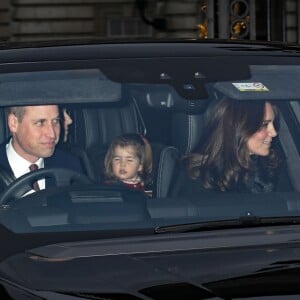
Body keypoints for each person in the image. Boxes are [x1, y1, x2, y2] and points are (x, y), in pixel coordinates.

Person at [171, 97, 293, 196]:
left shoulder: (273, 167)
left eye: (273, 124)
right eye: (264, 125)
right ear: (239, 128)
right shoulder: (197, 175)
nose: (274, 132)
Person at [0, 105, 83, 192]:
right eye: (40, 123)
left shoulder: (69, 165)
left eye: (55, 121)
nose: (52, 134)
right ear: (13, 123)